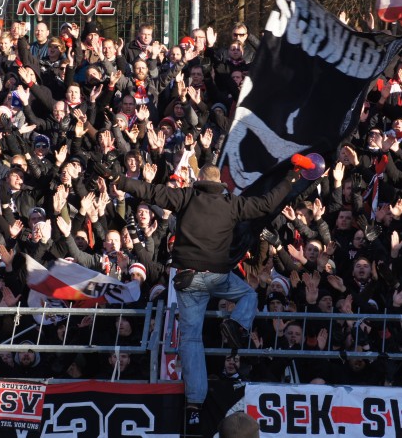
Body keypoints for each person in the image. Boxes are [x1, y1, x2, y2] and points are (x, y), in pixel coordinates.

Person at [107, 161, 305, 427]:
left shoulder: (186, 197)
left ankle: (194, 404)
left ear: (199, 179)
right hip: (219, 277)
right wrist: (291, 178)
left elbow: (150, 191)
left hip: (188, 278)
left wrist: (119, 180)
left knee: (191, 340)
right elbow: (268, 203)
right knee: (249, 296)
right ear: (221, 183)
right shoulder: (232, 203)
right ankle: (237, 326)